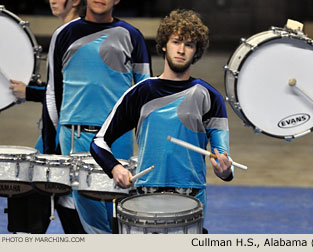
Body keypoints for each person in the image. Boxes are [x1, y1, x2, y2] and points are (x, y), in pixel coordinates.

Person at [90, 9, 234, 233]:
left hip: (192, 201)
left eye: (189, 45)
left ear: (196, 51)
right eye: (176, 42)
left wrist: (224, 169)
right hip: (146, 201)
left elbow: (223, 159)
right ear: (164, 45)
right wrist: (115, 168)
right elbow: (99, 142)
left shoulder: (209, 96)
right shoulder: (141, 91)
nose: (181, 50)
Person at [43, 0, 151, 233]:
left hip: (116, 139)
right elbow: (52, 93)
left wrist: (146, 146)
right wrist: (51, 147)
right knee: (81, 222)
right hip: (73, 137)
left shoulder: (132, 36)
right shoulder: (63, 34)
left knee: (117, 217)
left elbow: (145, 96)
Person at [6, 0, 87, 234]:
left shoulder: (74, 35)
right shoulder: (64, 32)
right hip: (54, 132)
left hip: (68, 136)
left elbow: (68, 93)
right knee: (43, 199)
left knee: (53, 198)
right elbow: (56, 88)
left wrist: (29, 91)